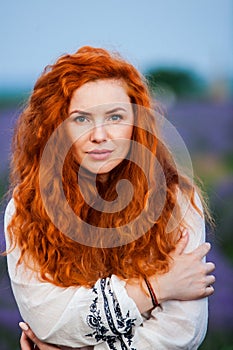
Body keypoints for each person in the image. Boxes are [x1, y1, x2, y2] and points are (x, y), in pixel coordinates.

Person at [4, 46, 215, 350]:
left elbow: (179, 334)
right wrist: (154, 290)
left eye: (115, 117)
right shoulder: (26, 209)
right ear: (56, 127)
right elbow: (49, 322)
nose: (100, 134)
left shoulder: (175, 202)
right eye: (81, 119)